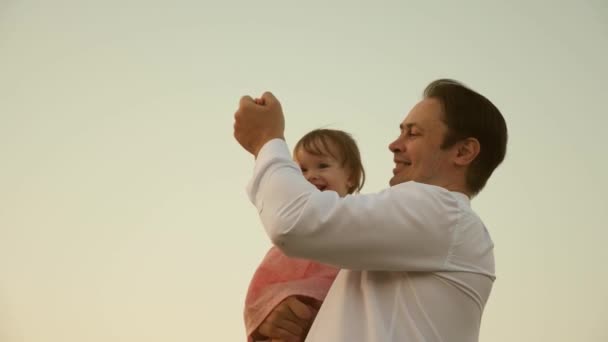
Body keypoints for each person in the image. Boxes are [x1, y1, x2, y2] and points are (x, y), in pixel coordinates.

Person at [233, 79, 508, 341]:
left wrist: (266, 140)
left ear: (463, 152)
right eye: (400, 131)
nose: (394, 144)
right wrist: (289, 319)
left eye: (412, 133)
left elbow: (294, 221)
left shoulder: (444, 212)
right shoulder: (428, 230)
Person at [244, 128, 366, 342]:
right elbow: (262, 289)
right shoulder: (292, 238)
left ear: (351, 177)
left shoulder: (362, 226)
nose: (311, 176)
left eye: (323, 165)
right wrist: (271, 310)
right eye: (301, 170)